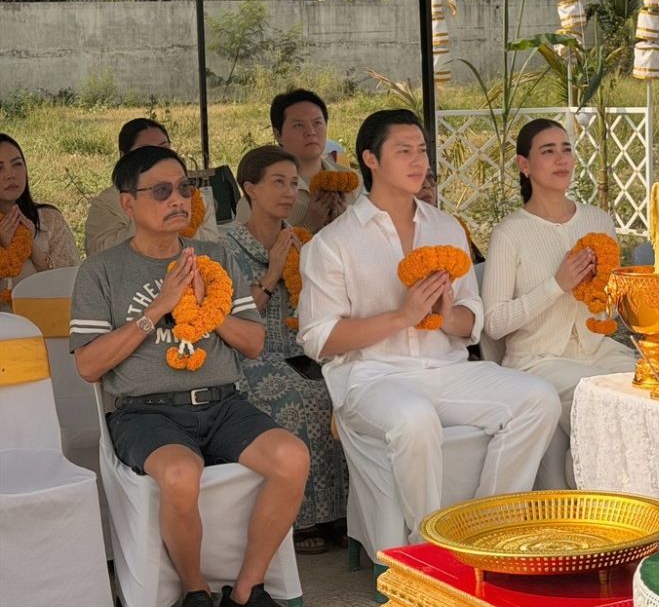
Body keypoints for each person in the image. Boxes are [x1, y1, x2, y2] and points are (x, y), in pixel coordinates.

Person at [70, 144, 319, 607]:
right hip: (146, 412)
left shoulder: (215, 257)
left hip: (222, 403)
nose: (177, 199)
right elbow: (89, 365)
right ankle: (195, 594)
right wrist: (158, 309)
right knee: (181, 473)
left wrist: (210, 308)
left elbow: (253, 343)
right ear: (128, 203)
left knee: (292, 458)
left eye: (184, 187)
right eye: (161, 190)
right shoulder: (101, 271)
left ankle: (245, 595)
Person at [296, 109, 561, 542]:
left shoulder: (446, 227)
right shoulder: (333, 242)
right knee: (414, 418)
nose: (419, 161)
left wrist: (444, 313)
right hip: (372, 377)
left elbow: (471, 319)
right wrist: (402, 317)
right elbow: (319, 338)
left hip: (448, 369)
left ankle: (485, 531)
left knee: (540, 399)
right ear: (371, 160)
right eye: (404, 151)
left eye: (421, 150)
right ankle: (429, 546)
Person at [482, 119, 635, 487]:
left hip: (598, 351)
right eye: (548, 151)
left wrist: (611, 290)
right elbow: (494, 322)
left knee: (648, 389)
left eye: (566, 149)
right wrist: (557, 285)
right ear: (524, 165)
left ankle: (631, 499)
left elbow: (613, 307)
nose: (561, 159)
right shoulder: (510, 233)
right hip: (537, 361)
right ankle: (585, 489)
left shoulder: (598, 220)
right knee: (603, 397)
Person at [224, 146, 348, 554]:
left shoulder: (303, 241)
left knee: (339, 389)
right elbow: (231, 320)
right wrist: (272, 274)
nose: (289, 192)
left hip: (303, 352)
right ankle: (299, 518)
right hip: (252, 357)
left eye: (294, 184)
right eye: (277, 182)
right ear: (250, 189)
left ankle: (341, 512)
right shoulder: (226, 248)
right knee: (294, 397)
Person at [84, 117, 219, 255]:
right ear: (124, 156)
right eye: (145, 151)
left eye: (164, 148)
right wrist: (145, 215)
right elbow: (99, 254)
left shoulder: (192, 198)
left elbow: (212, 249)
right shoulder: (108, 202)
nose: (157, 157)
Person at [238, 90, 358, 232]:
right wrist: (308, 224)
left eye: (317, 123)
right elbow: (248, 245)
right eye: (299, 125)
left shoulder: (354, 184)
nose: (311, 131)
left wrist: (346, 224)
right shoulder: (258, 196)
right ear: (278, 134)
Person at [0, 133, 79, 300]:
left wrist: (32, 247)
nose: (11, 174)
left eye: (17, 164)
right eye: (0, 168)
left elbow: (70, 284)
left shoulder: (49, 219)